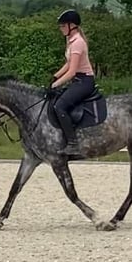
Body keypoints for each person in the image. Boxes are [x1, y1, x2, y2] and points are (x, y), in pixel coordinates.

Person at [50, 9, 96, 155]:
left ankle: (73, 143)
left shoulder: (78, 43)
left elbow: (72, 71)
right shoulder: (70, 40)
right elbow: (68, 64)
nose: (61, 29)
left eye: (63, 26)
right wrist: (55, 76)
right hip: (78, 80)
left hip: (85, 81)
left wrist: (55, 85)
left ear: (71, 26)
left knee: (60, 106)